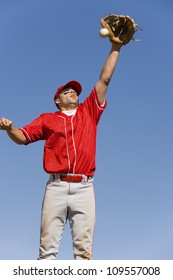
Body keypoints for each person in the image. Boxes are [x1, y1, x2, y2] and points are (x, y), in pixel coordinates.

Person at [0, 40, 122, 260]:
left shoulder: (89, 111)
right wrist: (9, 128)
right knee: (47, 251)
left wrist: (116, 48)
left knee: (83, 253)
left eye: (75, 91)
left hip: (84, 187)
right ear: (58, 100)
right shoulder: (47, 119)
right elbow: (22, 138)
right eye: (67, 91)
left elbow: (105, 79)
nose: (73, 93)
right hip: (55, 186)